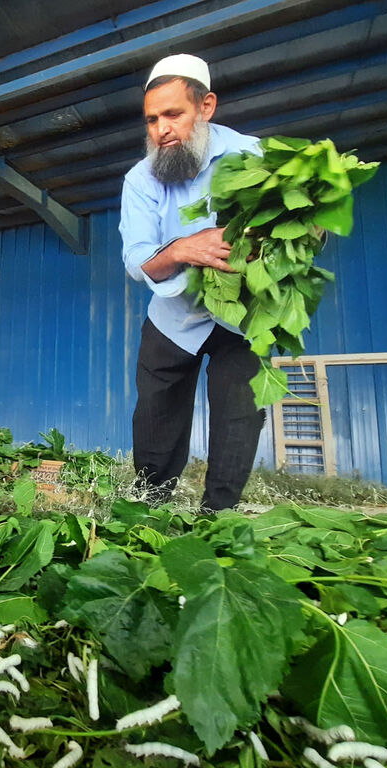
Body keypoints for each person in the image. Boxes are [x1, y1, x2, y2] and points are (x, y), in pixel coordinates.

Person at [118, 53, 264, 512]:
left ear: (206, 107)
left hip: (243, 316)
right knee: (155, 422)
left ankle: (218, 519)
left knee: (239, 419)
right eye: (151, 120)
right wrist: (183, 248)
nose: (161, 129)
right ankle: (148, 510)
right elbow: (137, 261)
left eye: (173, 114)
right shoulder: (140, 180)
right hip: (172, 317)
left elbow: (299, 227)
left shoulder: (254, 157)